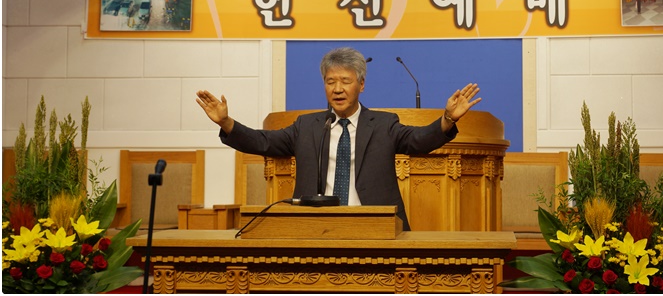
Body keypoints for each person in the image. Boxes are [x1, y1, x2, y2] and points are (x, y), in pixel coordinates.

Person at [195, 47, 481, 231]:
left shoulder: (383, 124)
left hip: (374, 225)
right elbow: (263, 142)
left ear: (361, 85)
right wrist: (226, 123)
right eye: (330, 82)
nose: (337, 89)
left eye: (345, 81)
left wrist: (448, 119)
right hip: (315, 225)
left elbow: (419, 140)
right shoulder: (307, 126)